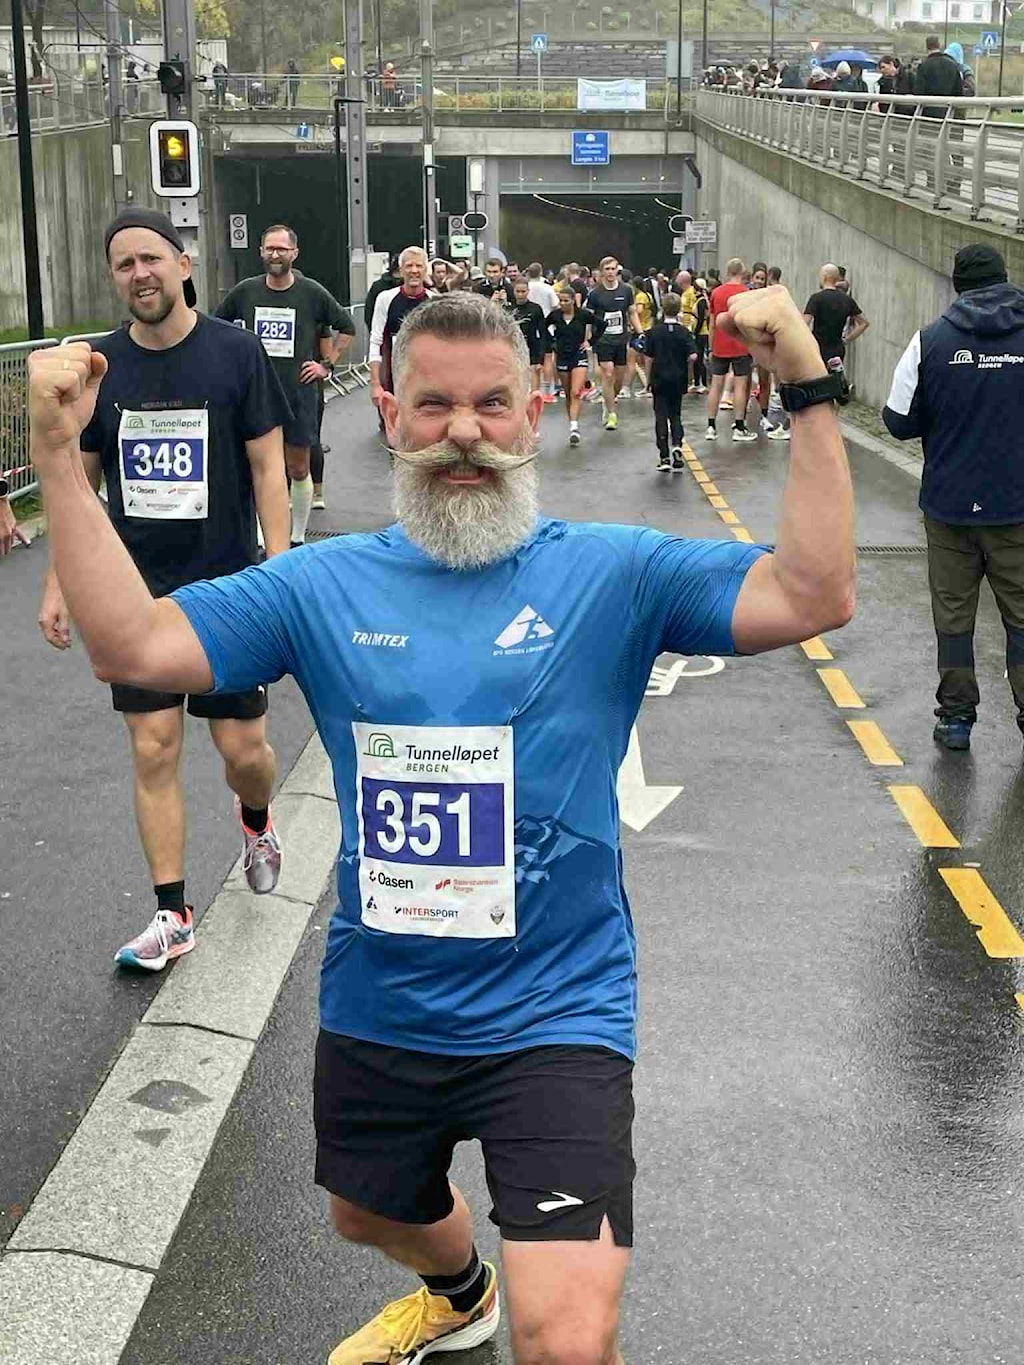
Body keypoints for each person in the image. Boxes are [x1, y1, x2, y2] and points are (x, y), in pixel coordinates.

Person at [28, 285, 854, 1365]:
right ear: (388, 413)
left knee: (568, 1339)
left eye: (492, 404)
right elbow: (132, 646)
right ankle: (460, 1293)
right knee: (364, 1213)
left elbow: (812, 593)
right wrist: (57, 453)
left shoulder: (617, 571)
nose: (464, 431)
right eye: (434, 406)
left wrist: (807, 385)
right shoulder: (319, 584)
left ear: (533, 414)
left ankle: (510, 1308)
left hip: (558, 1008)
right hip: (385, 1001)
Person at [36, 207, 291, 970]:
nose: (139, 273)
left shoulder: (236, 353)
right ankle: (172, 912)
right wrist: (59, 581)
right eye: (124, 264)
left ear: (183, 265)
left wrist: (281, 571)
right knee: (153, 746)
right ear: (113, 278)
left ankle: (256, 817)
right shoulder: (99, 368)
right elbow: (76, 487)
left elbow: (268, 467)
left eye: (151, 258)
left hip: (227, 588)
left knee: (244, 751)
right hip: (137, 594)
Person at [883, 243, 1024, 751]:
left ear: (957, 286)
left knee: (954, 615)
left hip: (950, 507)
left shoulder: (929, 341)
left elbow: (898, 421)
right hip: (1017, 507)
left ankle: (957, 717)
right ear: (1005, 279)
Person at [216, 225, 355, 546]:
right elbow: (218, 325)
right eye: (270, 248)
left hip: (298, 393)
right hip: (256, 392)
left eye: (282, 249)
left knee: (298, 467)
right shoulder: (246, 291)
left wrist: (326, 364)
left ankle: (298, 537)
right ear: (261, 252)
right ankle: (261, 537)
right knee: (257, 466)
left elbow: (347, 327)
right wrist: (232, 363)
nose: (275, 254)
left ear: (295, 253)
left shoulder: (312, 292)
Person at [368, 245, 434, 421]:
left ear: (425, 270)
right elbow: (376, 341)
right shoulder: (385, 298)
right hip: (393, 379)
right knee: (395, 429)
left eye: (419, 266)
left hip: (426, 381)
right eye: (409, 266)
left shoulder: (434, 301)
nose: (414, 271)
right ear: (401, 270)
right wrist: (375, 384)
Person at [547, 283, 605, 446]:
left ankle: (574, 428)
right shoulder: (555, 316)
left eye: (566, 300)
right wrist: (551, 342)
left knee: (575, 392)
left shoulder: (583, 315)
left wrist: (590, 342)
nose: (563, 304)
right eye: (560, 300)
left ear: (573, 300)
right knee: (567, 392)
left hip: (578, 355)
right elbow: (543, 328)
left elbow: (601, 325)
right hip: (562, 357)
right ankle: (572, 421)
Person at [587, 255, 641, 431]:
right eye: (607, 269)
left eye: (613, 269)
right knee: (608, 373)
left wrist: (640, 332)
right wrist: (587, 337)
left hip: (620, 339)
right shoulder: (595, 294)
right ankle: (612, 414)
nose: (610, 272)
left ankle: (609, 399)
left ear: (617, 270)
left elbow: (632, 312)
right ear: (602, 272)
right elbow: (589, 318)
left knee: (618, 377)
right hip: (603, 339)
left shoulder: (626, 291)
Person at [706, 257, 757, 442]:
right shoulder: (746, 293)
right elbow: (749, 323)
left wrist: (711, 346)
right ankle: (739, 426)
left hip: (720, 345)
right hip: (740, 345)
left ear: (727, 272)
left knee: (716, 385)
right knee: (740, 386)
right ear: (742, 272)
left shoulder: (716, 293)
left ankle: (711, 426)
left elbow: (712, 323)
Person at [645, 293, 696, 473]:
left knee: (660, 415)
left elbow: (649, 358)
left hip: (659, 378)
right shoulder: (684, 332)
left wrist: (648, 380)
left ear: (663, 309)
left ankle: (664, 456)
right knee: (675, 414)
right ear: (679, 309)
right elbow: (693, 355)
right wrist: (689, 373)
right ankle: (677, 445)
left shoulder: (654, 332)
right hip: (678, 378)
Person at [803, 263, 869, 393]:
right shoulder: (846, 300)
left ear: (824, 277)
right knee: (834, 385)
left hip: (818, 348)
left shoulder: (816, 298)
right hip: (837, 347)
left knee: (818, 385)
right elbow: (864, 323)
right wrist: (847, 339)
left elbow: (804, 323)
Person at [525, 262, 560, 401]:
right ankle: (546, 390)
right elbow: (556, 305)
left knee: (530, 358)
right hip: (546, 325)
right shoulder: (547, 288)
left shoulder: (525, 287)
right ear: (541, 273)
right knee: (547, 357)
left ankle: (530, 388)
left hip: (529, 324)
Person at [511, 278, 547, 394]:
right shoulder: (509, 308)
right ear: (513, 291)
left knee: (533, 388)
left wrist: (541, 359)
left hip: (532, 348)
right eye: (518, 291)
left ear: (528, 291)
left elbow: (542, 333)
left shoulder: (535, 308)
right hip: (513, 348)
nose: (520, 295)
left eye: (523, 291)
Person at [914, 34, 962, 118]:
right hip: (949, 111)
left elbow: (919, 91)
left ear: (927, 47)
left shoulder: (923, 66)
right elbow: (959, 90)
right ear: (939, 45)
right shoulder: (952, 64)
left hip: (929, 111)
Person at [690, 277, 710, 395]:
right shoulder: (699, 300)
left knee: (700, 358)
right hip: (698, 332)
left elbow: (701, 319)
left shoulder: (702, 301)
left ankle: (704, 383)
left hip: (701, 333)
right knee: (697, 359)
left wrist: (695, 332)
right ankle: (697, 383)